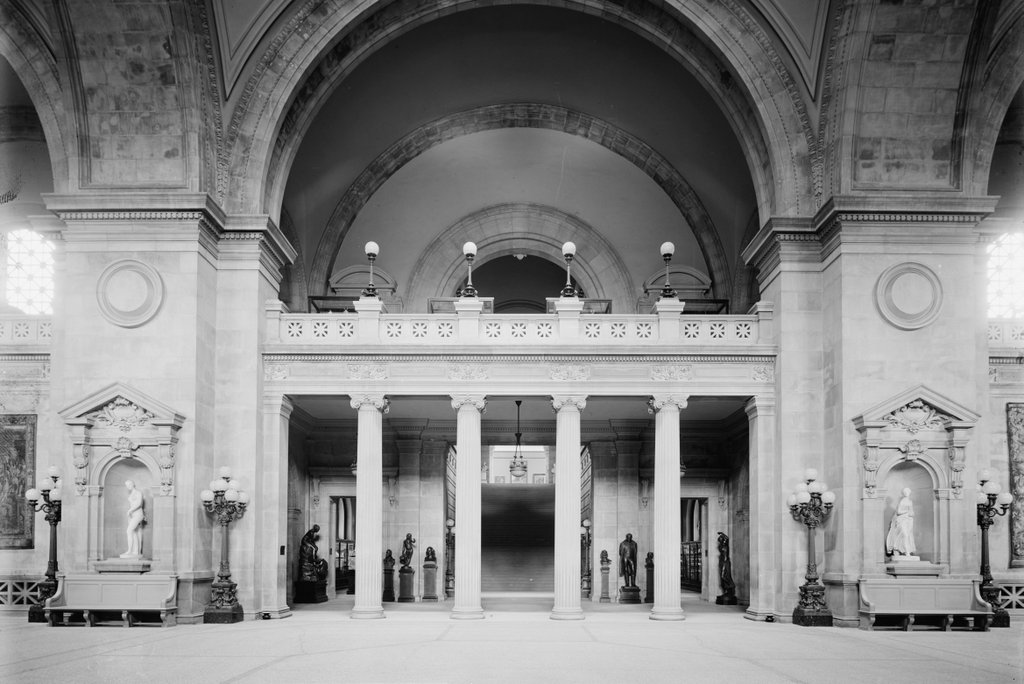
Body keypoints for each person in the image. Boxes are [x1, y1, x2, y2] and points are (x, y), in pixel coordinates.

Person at [885, 488, 916, 557]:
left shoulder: (910, 501)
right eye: (905, 492)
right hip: (901, 520)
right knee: (904, 534)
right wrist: (907, 512)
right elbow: (899, 512)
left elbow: (912, 512)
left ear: (909, 493)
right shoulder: (902, 501)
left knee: (907, 535)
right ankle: (906, 551)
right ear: (903, 493)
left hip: (908, 520)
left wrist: (911, 513)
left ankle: (903, 550)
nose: (906, 493)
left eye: (907, 491)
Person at [120, 480, 144, 558]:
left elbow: (139, 503)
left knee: (129, 531)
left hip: (138, 514)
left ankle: (130, 550)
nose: (128, 486)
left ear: (133, 484)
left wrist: (130, 510)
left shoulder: (138, 493)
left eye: (129, 484)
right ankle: (135, 551)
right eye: (127, 485)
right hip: (132, 515)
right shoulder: (132, 493)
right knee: (134, 532)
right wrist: (130, 513)